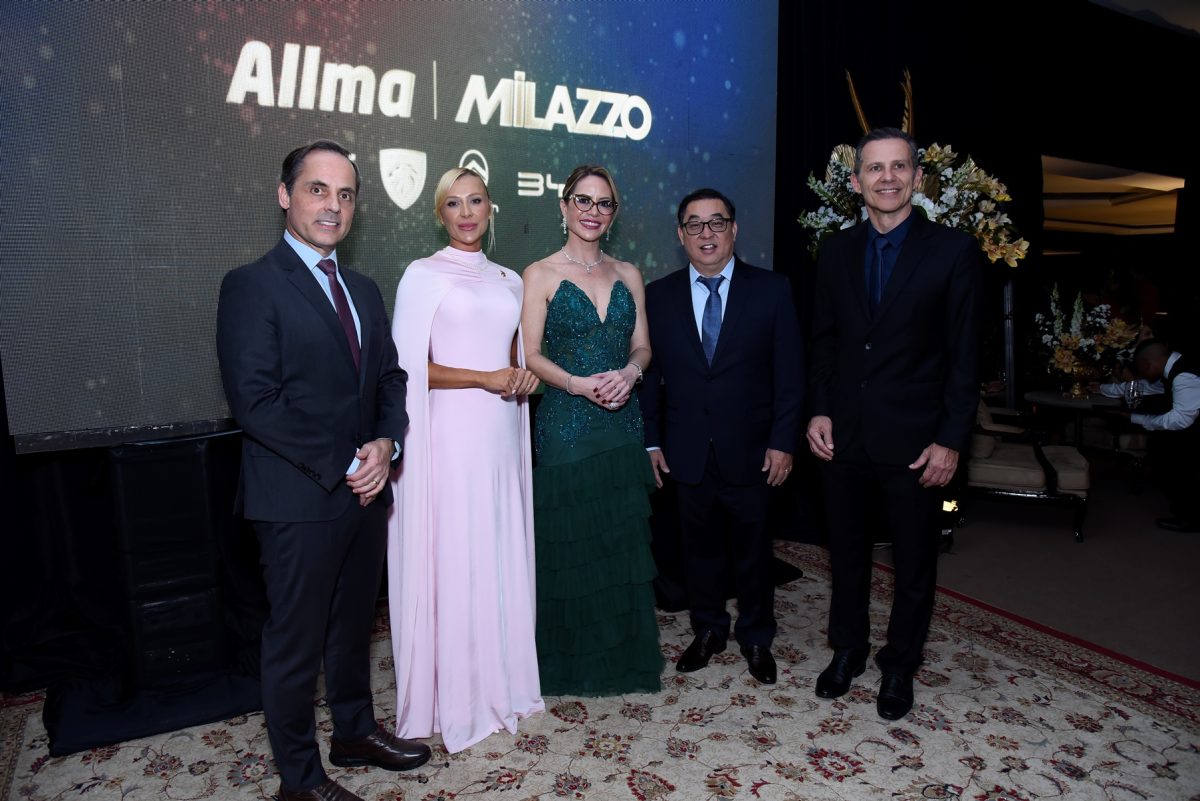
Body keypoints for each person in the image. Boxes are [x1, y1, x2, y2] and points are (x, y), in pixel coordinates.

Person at [216, 141, 430, 801]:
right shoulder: (251, 285)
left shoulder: (362, 288)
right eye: (317, 189)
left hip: (365, 492)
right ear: (286, 195)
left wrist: (387, 443)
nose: (332, 205)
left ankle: (355, 732)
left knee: (353, 627)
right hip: (297, 498)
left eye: (344, 194)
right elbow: (256, 402)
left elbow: (390, 379)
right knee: (296, 643)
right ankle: (300, 781)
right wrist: (346, 462)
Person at [806, 127, 982, 721]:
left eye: (899, 167)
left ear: (917, 177)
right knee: (846, 553)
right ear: (856, 182)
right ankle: (847, 649)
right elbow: (824, 340)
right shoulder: (835, 251)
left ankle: (900, 663)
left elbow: (965, 358)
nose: (887, 178)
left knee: (913, 562)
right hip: (843, 435)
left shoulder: (953, 251)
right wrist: (819, 408)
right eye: (875, 168)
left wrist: (950, 440)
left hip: (916, 439)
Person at [386, 167, 543, 752]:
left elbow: (515, 358)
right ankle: (454, 696)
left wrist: (521, 377)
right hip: (447, 437)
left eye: (476, 200)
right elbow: (406, 369)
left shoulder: (509, 280)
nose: (467, 212)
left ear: (491, 207)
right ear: (440, 214)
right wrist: (483, 377)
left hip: (500, 435)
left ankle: (501, 684)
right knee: (455, 553)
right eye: (454, 203)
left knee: (496, 547)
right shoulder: (422, 275)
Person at [639, 187, 803, 686]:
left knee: (754, 551)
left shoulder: (772, 290)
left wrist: (783, 441)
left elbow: (789, 375)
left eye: (716, 222)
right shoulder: (658, 295)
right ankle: (709, 629)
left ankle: (756, 636)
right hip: (686, 450)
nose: (706, 233)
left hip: (753, 451)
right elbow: (650, 375)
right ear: (680, 234)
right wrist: (651, 441)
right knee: (699, 551)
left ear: (734, 229)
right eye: (695, 224)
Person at [520, 164, 662, 695]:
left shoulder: (629, 274)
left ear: (613, 213)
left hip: (622, 421)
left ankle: (621, 659)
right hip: (566, 421)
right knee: (571, 543)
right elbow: (530, 354)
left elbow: (642, 346)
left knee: (618, 541)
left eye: (604, 203)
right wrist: (577, 384)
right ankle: (567, 664)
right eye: (583, 200)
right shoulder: (539, 274)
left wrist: (631, 373)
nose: (592, 211)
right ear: (564, 206)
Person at [1095, 338, 1199, 532]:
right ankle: (1185, 509)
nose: (1140, 374)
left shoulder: (1184, 375)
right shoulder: (1172, 368)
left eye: (1140, 369)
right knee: (1161, 447)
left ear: (1145, 364)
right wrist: (1102, 389)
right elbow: (1145, 387)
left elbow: (1181, 420)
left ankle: (1192, 518)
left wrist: (1137, 418)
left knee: (1174, 454)